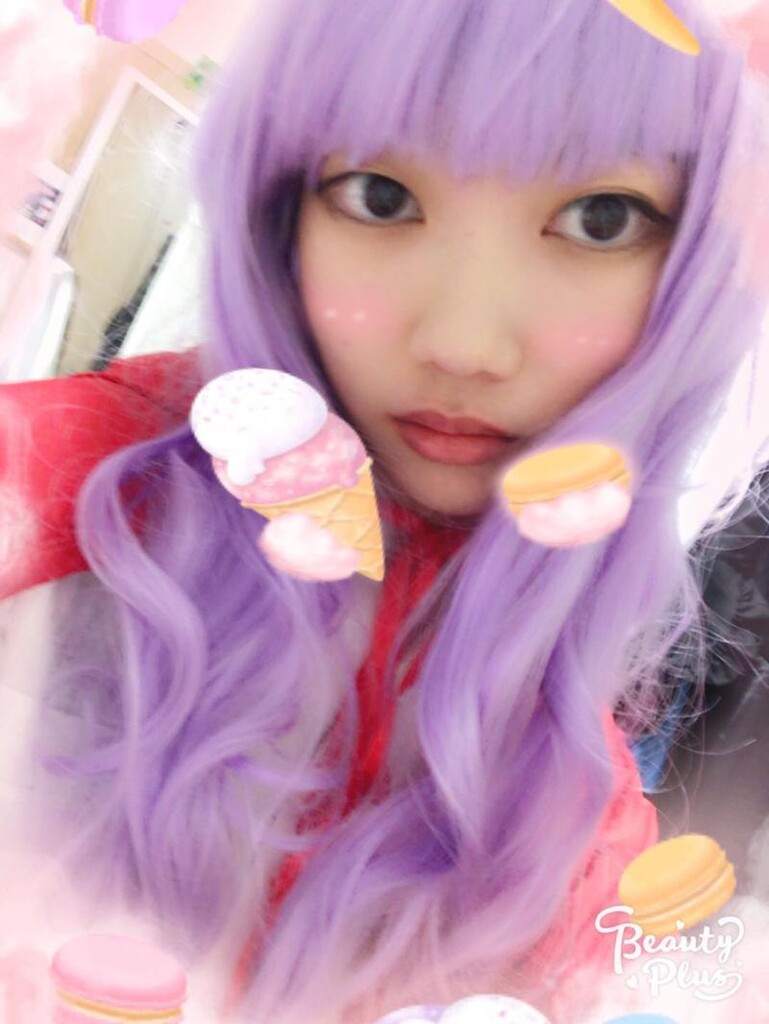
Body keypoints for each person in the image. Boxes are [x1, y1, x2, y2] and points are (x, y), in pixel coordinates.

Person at [2, 1, 769, 1022]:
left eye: (600, 219)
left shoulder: (578, 816)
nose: (463, 342)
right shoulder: (54, 496)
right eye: (381, 196)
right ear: (281, 211)